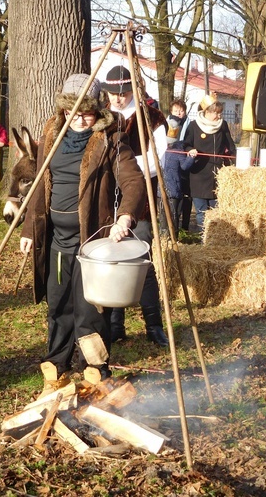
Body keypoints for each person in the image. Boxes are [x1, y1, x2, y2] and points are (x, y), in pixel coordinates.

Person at [19, 73, 146, 396]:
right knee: (58, 306)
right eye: (72, 110)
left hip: (92, 245)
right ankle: (56, 371)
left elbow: (133, 182)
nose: (78, 117)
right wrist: (30, 229)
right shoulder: (51, 134)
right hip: (57, 242)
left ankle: (95, 373)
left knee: (90, 310)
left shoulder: (110, 140)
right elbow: (37, 185)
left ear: (97, 111)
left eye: (86, 111)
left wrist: (125, 217)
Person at [102, 64, 169, 347]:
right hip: (107, 200)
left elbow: (158, 159)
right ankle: (115, 325)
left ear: (133, 90)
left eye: (123, 93)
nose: (118, 98)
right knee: (112, 260)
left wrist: (124, 167)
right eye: (113, 93)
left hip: (139, 200)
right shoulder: (102, 117)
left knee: (142, 261)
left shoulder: (151, 117)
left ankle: (154, 325)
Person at [182, 94, 236, 232]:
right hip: (198, 175)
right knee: (201, 212)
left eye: (220, 113)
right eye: (216, 113)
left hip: (216, 175)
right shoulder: (194, 126)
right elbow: (186, 145)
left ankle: (213, 239)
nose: (219, 116)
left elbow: (230, 146)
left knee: (214, 211)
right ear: (207, 111)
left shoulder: (222, 125)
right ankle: (203, 238)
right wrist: (191, 150)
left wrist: (231, 160)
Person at [166, 99, 193, 233]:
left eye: (181, 110)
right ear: (171, 111)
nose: (179, 113)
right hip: (170, 162)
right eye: (176, 110)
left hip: (184, 158)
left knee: (186, 195)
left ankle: (185, 226)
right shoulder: (166, 124)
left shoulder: (190, 124)